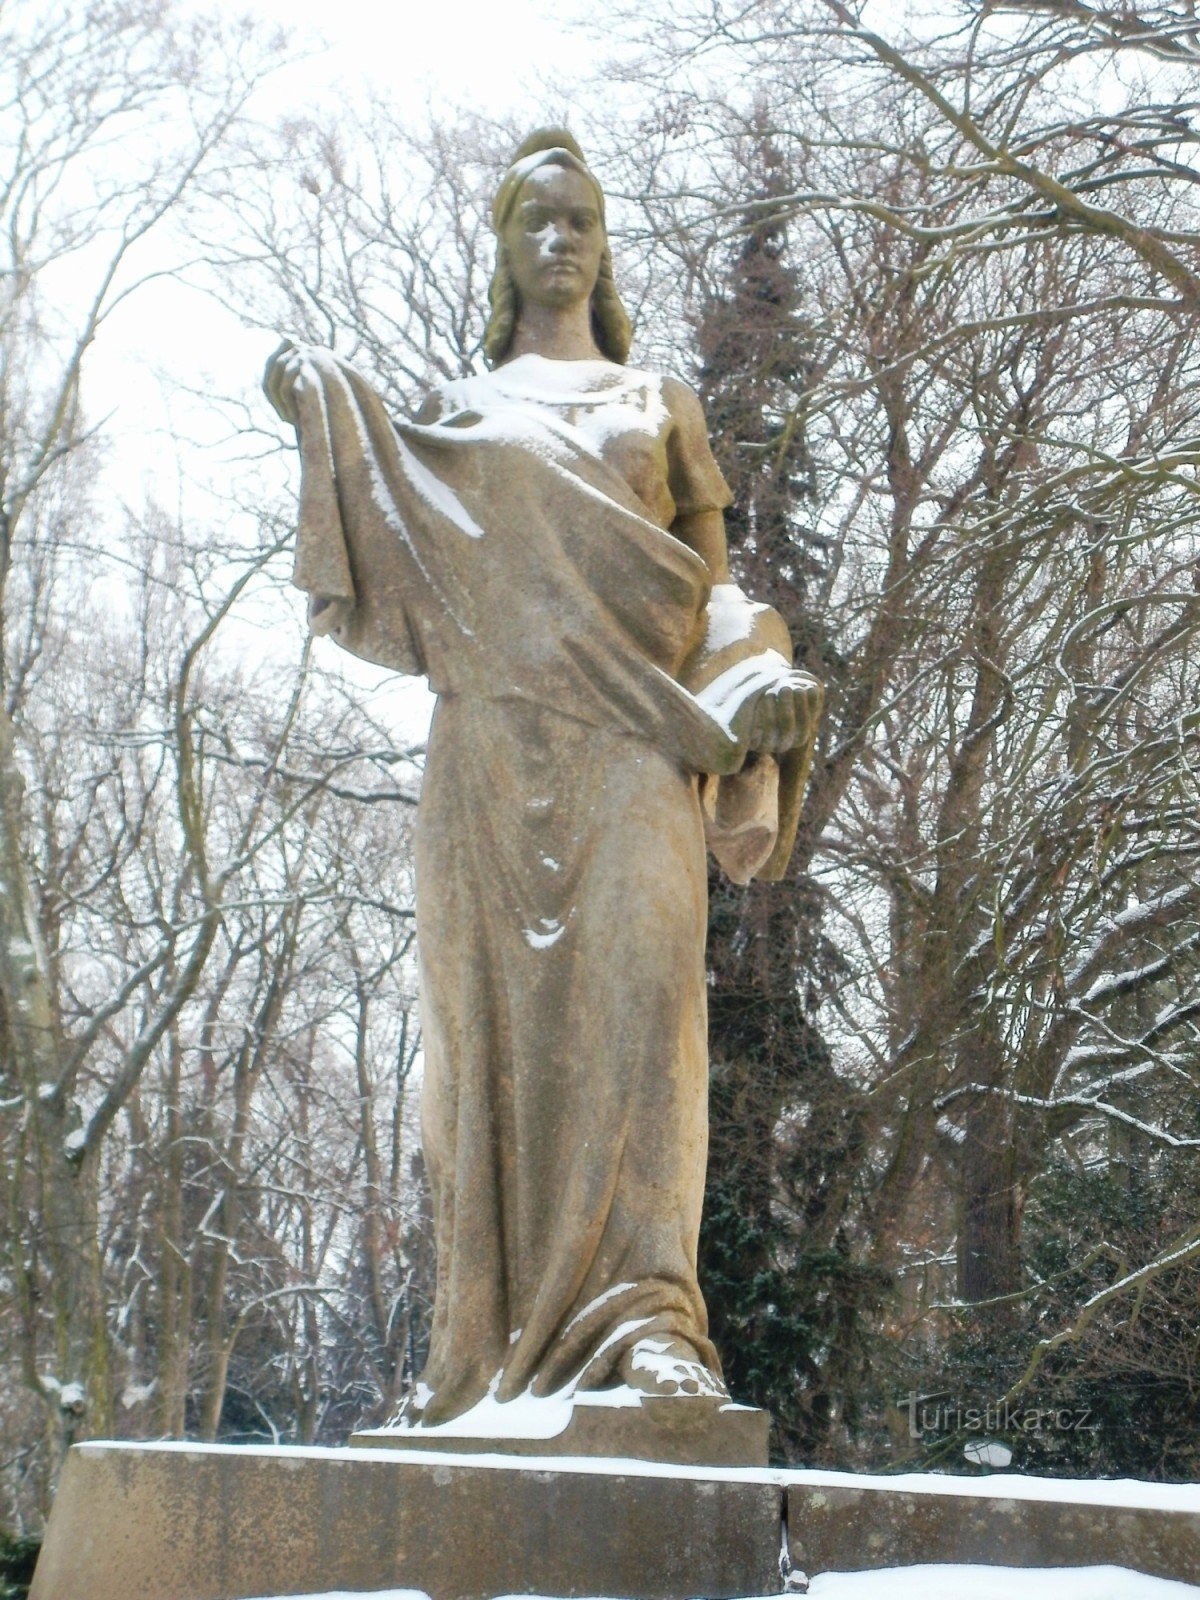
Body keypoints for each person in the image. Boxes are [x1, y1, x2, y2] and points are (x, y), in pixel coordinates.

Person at [264, 129, 822, 1430]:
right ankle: (484, 1358)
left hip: (637, 749)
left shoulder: (655, 406)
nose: (559, 241)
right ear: (507, 245)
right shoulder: (458, 417)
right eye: (536, 222)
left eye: (580, 220)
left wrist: (759, 678)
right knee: (493, 1054)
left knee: (641, 1032)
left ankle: (650, 1327)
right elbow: (377, 498)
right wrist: (319, 398)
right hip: (492, 763)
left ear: (604, 242)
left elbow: (720, 595)